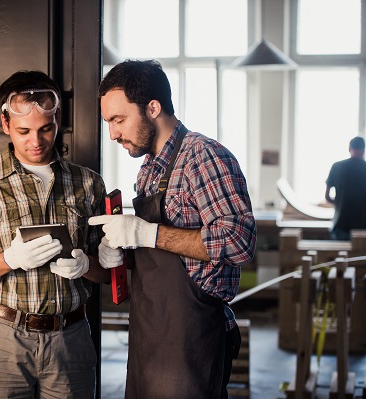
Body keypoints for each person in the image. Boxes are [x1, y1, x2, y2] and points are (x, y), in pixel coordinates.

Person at [89, 59, 256, 399]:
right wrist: (120, 252)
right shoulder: (148, 170)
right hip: (149, 335)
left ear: (153, 107)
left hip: (191, 340)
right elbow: (159, 255)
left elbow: (239, 241)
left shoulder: (203, 156)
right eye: (109, 122)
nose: (113, 134)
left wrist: (147, 233)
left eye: (119, 120)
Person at [0, 70, 110, 398]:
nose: (36, 141)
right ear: (5, 124)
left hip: (71, 339)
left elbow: (108, 273)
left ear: (57, 119)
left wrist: (85, 265)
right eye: (24, 131)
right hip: (1, 340)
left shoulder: (88, 184)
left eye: (45, 128)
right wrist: (8, 259)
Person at [325, 136, 366, 240]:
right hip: (362, 225)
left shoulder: (337, 166)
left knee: (340, 255)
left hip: (341, 224)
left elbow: (327, 196)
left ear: (349, 149)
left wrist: (339, 203)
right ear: (364, 150)